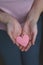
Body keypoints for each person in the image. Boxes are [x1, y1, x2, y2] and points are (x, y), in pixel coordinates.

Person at [0, 0, 43, 65]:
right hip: (3, 29)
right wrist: (6, 18)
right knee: (12, 62)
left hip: (32, 24)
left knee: (32, 61)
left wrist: (33, 17)